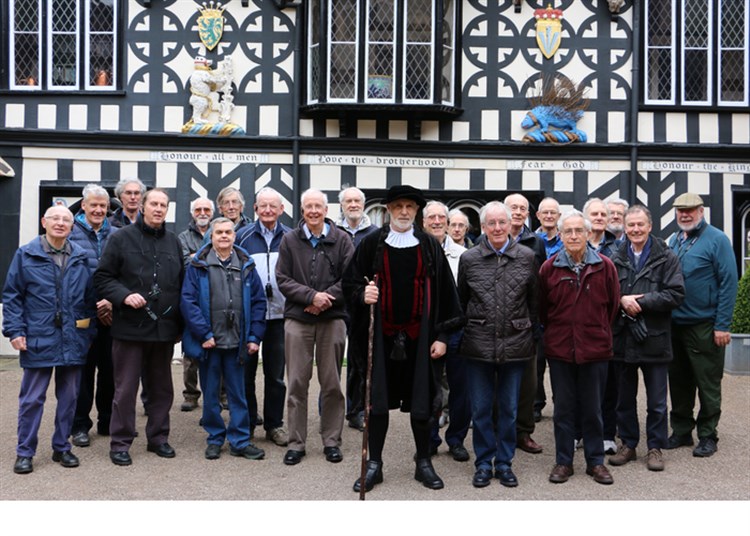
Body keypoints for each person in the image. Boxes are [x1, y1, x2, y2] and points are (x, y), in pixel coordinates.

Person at [344, 185, 464, 493]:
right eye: (398, 206)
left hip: (420, 338)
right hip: (380, 339)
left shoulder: (428, 245)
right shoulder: (372, 243)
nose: (404, 212)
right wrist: (363, 293)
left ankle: (423, 462)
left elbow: (446, 293)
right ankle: (375, 465)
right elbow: (351, 282)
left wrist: (441, 336)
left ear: (416, 211)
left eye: (410, 207)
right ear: (388, 210)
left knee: (423, 403)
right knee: (377, 404)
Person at [4, 205, 96, 474]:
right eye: (55, 218)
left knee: (69, 398)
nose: (60, 223)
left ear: (72, 226)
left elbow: (89, 300)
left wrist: (87, 334)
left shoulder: (79, 257)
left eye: (66, 220)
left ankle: (61, 447)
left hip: (73, 338)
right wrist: (15, 330)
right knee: (32, 399)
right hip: (37, 336)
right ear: (44, 221)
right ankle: (25, 452)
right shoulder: (26, 254)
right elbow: (12, 296)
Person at [94, 188, 184, 466]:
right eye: (154, 204)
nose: (158, 209)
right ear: (142, 207)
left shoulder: (173, 242)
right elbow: (102, 278)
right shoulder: (120, 238)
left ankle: (158, 438)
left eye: (163, 205)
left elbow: (181, 283)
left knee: (162, 390)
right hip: (130, 328)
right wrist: (122, 295)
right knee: (125, 389)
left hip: (163, 330)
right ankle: (120, 442)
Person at [458, 201, 539, 488]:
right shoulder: (469, 259)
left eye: (501, 222)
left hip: (516, 343)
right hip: (478, 344)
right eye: (490, 223)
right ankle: (483, 463)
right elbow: (462, 300)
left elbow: (534, 302)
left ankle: (504, 463)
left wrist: (528, 333)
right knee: (480, 410)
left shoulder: (527, 256)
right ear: (483, 227)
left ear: (509, 225)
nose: (496, 228)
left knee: (508, 409)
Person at [539, 209, 619, 485]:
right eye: (568, 231)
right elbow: (542, 311)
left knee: (593, 409)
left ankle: (595, 462)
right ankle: (564, 462)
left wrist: (594, 333)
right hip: (560, 350)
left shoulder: (605, 266)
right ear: (560, 236)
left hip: (595, 350)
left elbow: (612, 306)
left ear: (588, 234)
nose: (573, 235)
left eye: (578, 231)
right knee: (563, 409)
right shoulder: (549, 269)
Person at [276, 189, 354, 465]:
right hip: (298, 319)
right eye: (308, 206)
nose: (313, 211)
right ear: (302, 210)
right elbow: (282, 278)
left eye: (318, 206)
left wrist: (323, 301)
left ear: (326, 210)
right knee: (296, 382)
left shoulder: (342, 240)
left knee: (332, 382)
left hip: (332, 319)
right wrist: (311, 297)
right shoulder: (289, 240)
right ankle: (296, 443)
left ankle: (331, 441)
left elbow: (350, 278)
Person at [181, 217, 267, 460]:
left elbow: (258, 303)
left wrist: (254, 337)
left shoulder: (246, 265)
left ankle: (239, 440)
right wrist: (204, 334)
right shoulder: (197, 266)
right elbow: (188, 302)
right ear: (211, 235)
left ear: (234, 235)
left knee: (238, 394)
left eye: (228, 232)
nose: (224, 236)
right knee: (210, 395)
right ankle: (215, 438)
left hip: (238, 343)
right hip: (210, 343)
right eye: (219, 232)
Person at [608, 205, 684, 472]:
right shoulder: (614, 256)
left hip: (655, 338)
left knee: (657, 401)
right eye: (631, 225)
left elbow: (676, 294)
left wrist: (640, 302)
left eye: (641, 225)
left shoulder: (667, 256)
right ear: (625, 228)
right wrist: (620, 300)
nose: (636, 230)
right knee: (624, 398)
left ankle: (655, 447)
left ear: (650, 226)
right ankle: (628, 444)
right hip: (623, 338)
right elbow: (604, 294)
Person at [666, 192, 738, 457]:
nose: (685, 214)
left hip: (705, 326)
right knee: (679, 381)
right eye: (680, 211)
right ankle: (682, 431)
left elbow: (729, 283)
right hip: (675, 325)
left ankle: (708, 435)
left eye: (691, 210)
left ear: (701, 211)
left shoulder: (717, 239)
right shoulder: (674, 240)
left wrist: (722, 325)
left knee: (707, 383)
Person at [237, 187, 292, 446]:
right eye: (263, 206)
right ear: (255, 209)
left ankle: (274, 425)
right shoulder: (242, 236)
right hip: (249, 317)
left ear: (282, 209)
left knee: (276, 375)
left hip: (281, 316)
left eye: (273, 206)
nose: (268, 210)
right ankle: (247, 423)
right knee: (246, 373)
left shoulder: (291, 237)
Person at [69, 185, 118, 448]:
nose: (99, 210)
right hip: (81, 315)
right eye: (94, 205)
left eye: (103, 206)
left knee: (111, 370)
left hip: (112, 314)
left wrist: (112, 300)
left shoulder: (119, 235)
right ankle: (79, 425)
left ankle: (107, 420)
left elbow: (125, 273)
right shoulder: (69, 232)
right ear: (84, 206)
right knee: (83, 372)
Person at [422, 201, 470, 462]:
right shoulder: (416, 251)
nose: (438, 221)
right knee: (428, 390)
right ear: (424, 222)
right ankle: (429, 439)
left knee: (461, 391)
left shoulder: (464, 255)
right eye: (432, 217)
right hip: (426, 334)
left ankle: (456, 439)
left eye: (443, 217)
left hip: (457, 333)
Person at [504, 193, 545, 456]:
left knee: (528, 382)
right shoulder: (488, 239)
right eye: (513, 208)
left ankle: (524, 432)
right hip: (496, 321)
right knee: (499, 381)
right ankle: (501, 431)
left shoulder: (536, 242)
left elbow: (539, 285)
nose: (518, 212)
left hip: (526, 321)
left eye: (522, 208)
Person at [335, 186, 378, 432]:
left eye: (357, 201)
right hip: (338, 304)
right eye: (348, 201)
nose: (353, 204)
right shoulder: (334, 231)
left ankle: (357, 409)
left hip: (363, 305)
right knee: (330, 362)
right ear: (341, 205)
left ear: (363, 204)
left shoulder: (373, 233)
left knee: (361, 360)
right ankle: (329, 409)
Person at [583, 197, 619, 454]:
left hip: (608, 325)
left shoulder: (618, 247)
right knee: (576, 385)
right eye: (593, 214)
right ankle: (577, 433)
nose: (598, 218)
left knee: (608, 384)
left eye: (602, 214)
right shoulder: (574, 242)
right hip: (577, 326)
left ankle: (607, 434)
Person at [177, 197, 218, 412]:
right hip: (192, 296)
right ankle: (191, 394)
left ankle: (220, 394)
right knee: (191, 350)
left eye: (206, 209)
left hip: (216, 296)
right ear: (192, 213)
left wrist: (196, 256)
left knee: (218, 347)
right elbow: (185, 262)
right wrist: (203, 257)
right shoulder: (183, 237)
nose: (202, 212)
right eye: (198, 209)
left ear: (212, 212)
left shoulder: (218, 231)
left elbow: (220, 257)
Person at [533, 196, 563, 423]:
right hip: (539, 309)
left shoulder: (567, 240)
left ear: (559, 216)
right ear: (538, 216)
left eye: (553, 212)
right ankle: (536, 404)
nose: (550, 216)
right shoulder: (532, 241)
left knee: (559, 364)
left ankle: (560, 403)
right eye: (546, 212)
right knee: (536, 362)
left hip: (560, 311)